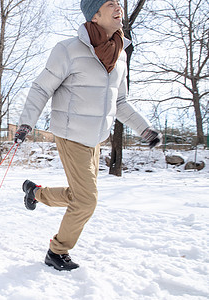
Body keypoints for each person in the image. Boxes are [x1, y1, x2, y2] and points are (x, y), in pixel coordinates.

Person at [14, 0, 162, 271]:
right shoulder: (69, 49)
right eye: (110, 3)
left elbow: (120, 102)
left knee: (78, 195)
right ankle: (57, 252)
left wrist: (144, 128)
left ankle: (35, 193)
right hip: (70, 135)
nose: (119, 7)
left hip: (96, 138)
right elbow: (40, 88)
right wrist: (26, 123)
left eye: (119, 3)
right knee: (87, 200)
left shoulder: (120, 56)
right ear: (95, 14)